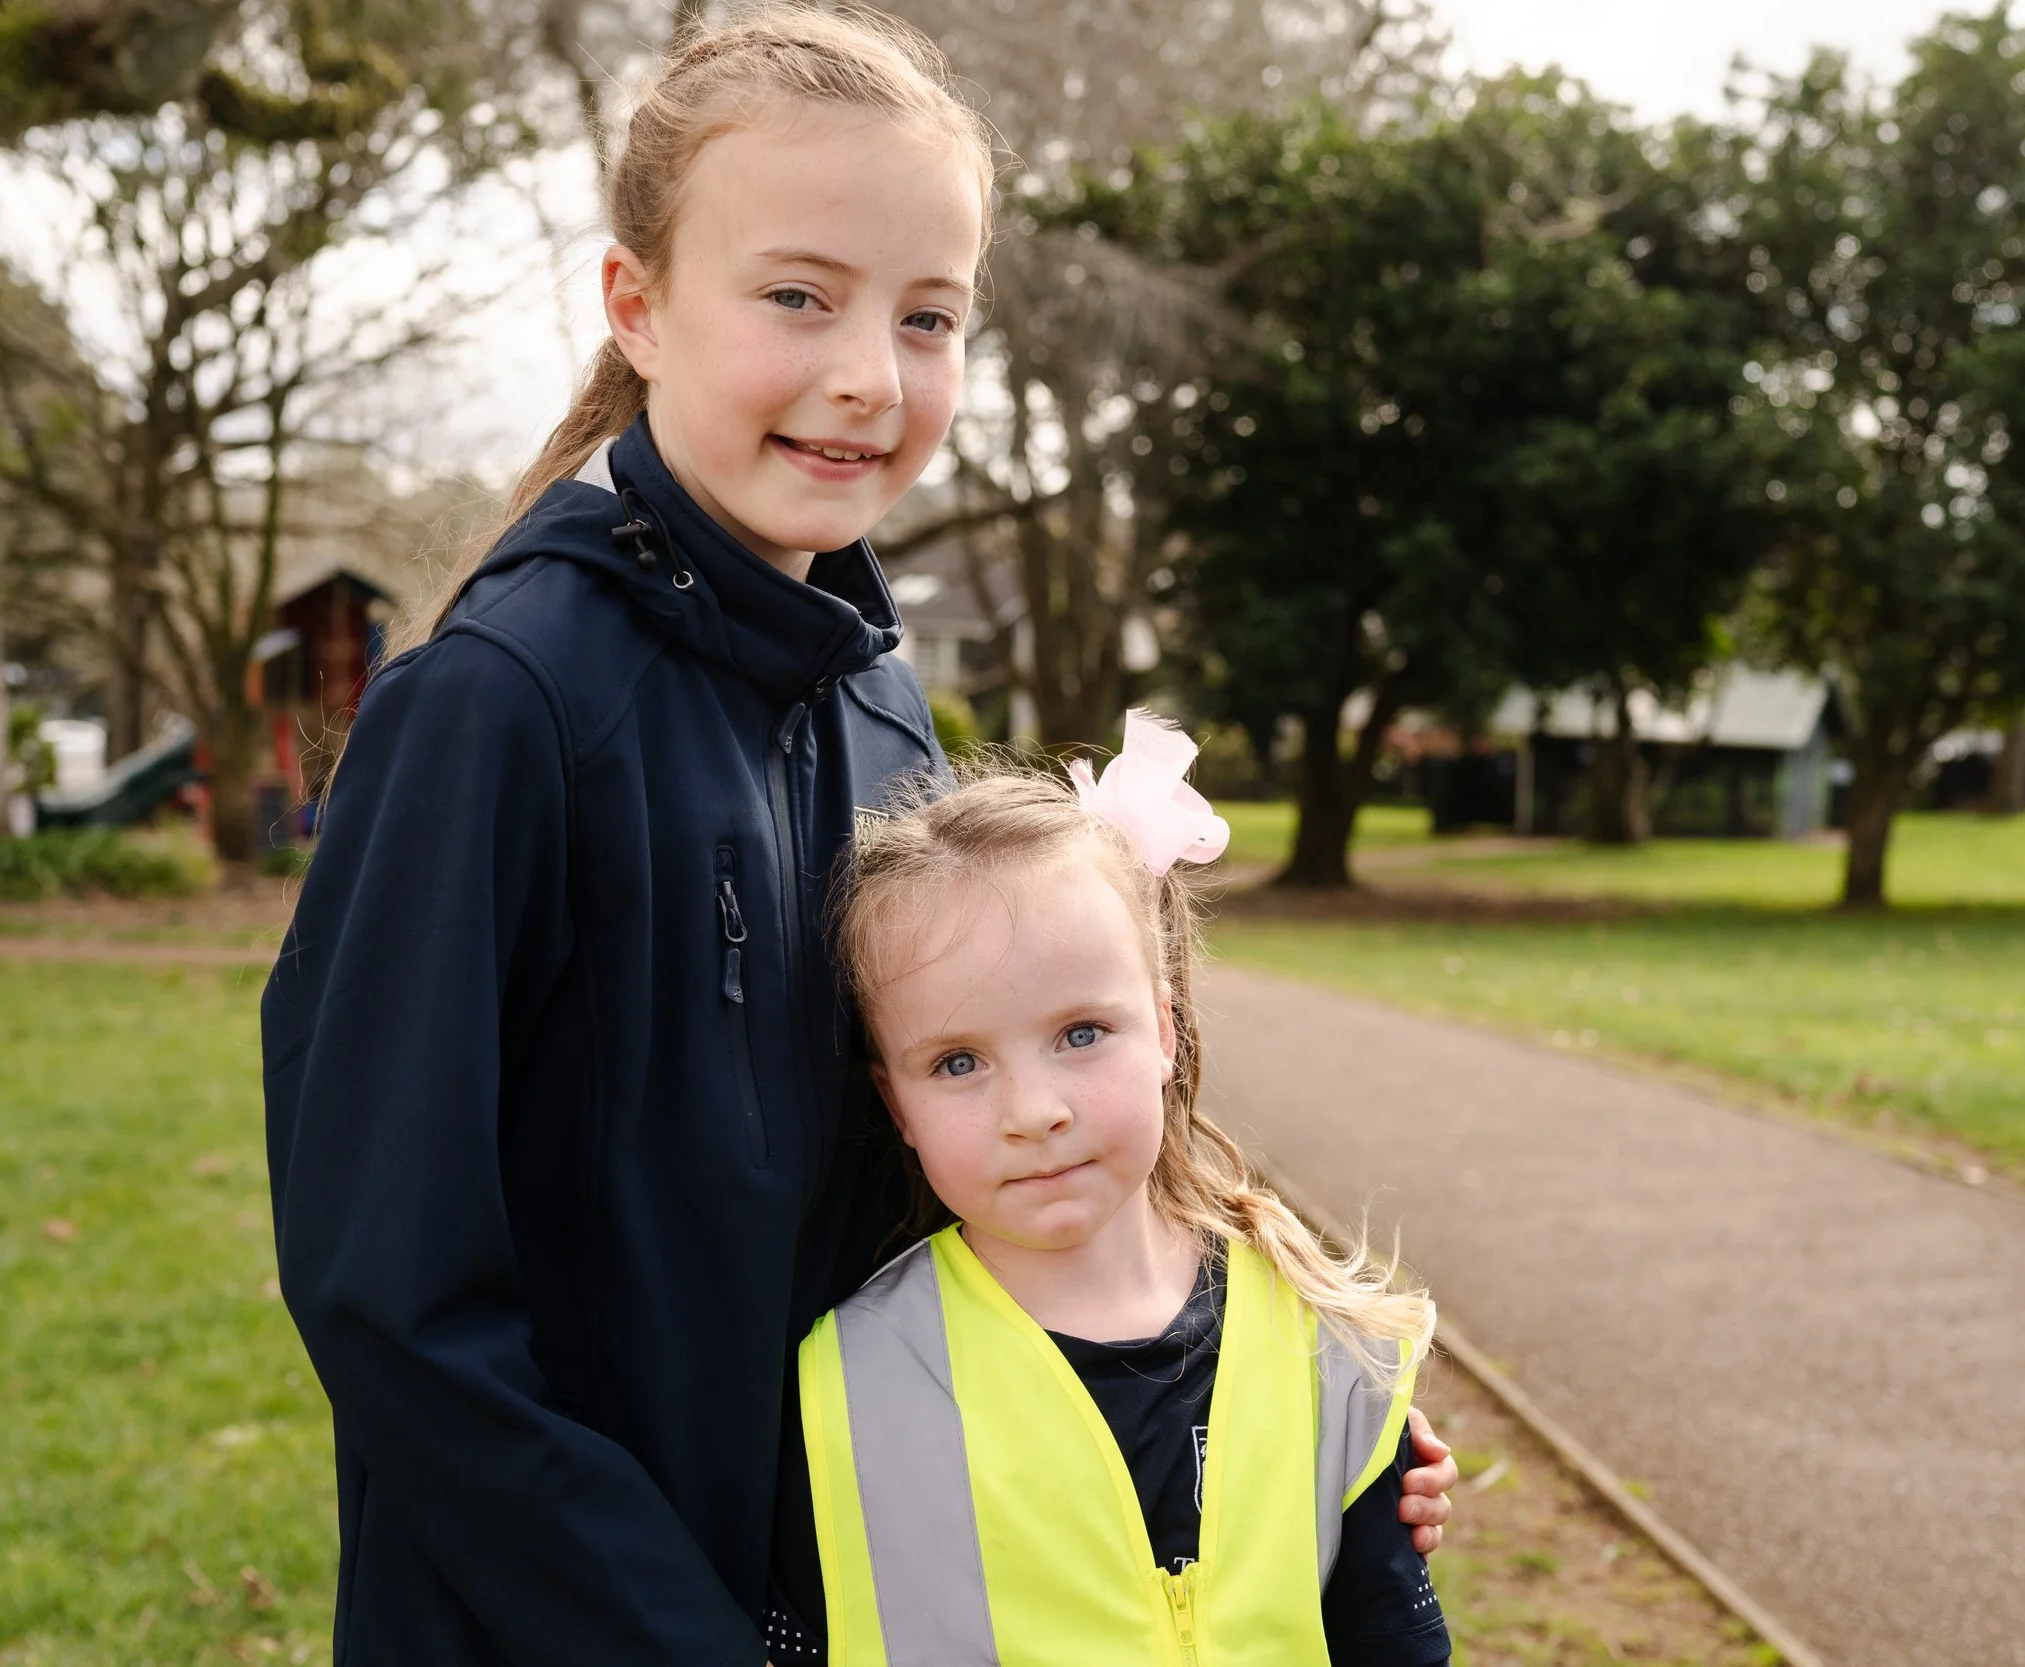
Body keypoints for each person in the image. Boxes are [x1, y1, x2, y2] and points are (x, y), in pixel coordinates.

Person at [263, 7, 1456, 1663]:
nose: (868, 377)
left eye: (928, 316)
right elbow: (391, 1299)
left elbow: (965, 1179)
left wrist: (1269, 1411)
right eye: (797, 297)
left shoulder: (883, 709)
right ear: (637, 306)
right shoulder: (494, 706)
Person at [774, 715, 1448, 1666]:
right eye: (959, 1061)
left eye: (1081, 1033)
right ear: (896, 1104)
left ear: (1165, 1032)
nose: (1033, 1111)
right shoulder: (845, 1385)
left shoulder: (1328, 1348)